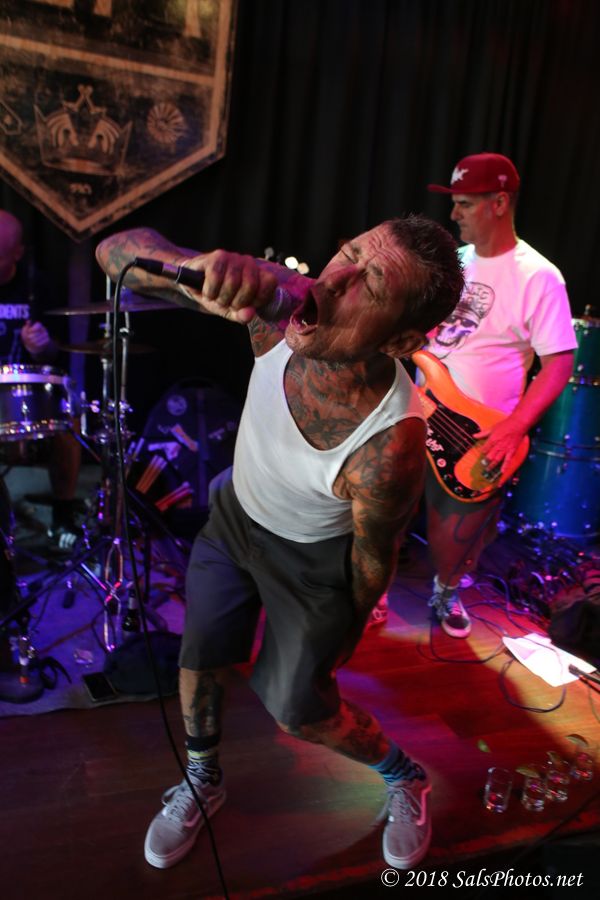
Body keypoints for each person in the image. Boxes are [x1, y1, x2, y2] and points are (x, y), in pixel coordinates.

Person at [96, 214, 464, 871]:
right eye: (347, 253)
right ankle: (203, 777)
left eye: (371, 283)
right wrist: (197, 265)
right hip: (236, 519)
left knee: (301, 711)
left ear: (402, 339)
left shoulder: (390, 442)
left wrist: (340, 634)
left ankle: (404, 774)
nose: (335, 279)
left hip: (313, 562)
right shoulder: (276, 315)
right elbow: (113, 252)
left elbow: (373, 557)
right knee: (199, 656)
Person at [419, 152, 577, 638]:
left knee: (456, 532)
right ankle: (374, 591)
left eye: (465, 203)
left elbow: (559, 364)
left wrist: (513, 429)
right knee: (388, 506)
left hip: (479, 432)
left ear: (500, 203)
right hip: (420, 407)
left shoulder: (539, 276)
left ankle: (447, 589)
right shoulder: (454, 262)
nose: (453, 214)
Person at [0, 210, 82, 549]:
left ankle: (63, 515)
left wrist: (42, 347)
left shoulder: (38, 287)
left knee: (68, 423)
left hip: (24, 392)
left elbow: (55, 356)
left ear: (17, 253)